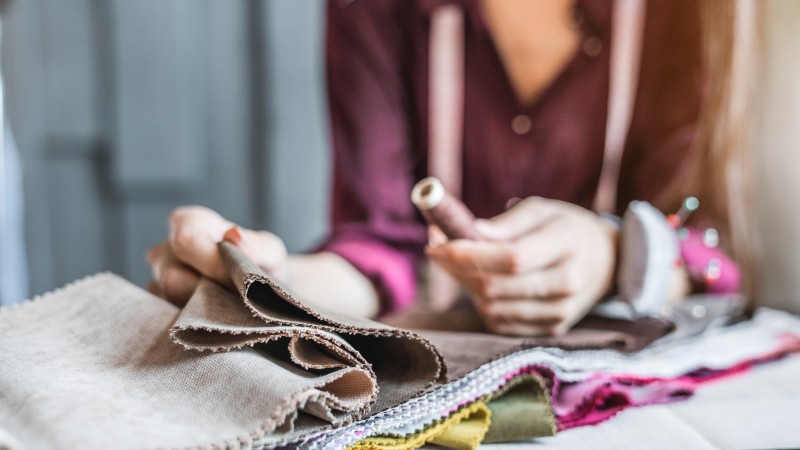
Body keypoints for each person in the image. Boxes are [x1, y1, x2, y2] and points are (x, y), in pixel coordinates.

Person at [148, 0, 750, 336]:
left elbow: (707, 250)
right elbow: (383, 250)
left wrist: (612, 256)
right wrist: (272, 283)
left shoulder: (688, 16)